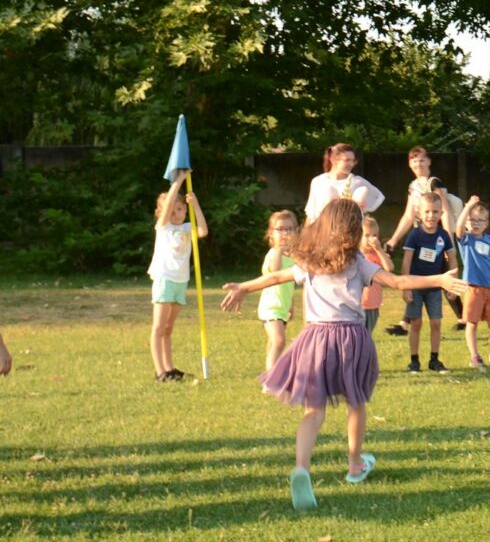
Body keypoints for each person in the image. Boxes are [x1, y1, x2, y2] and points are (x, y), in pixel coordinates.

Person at [220, 199, 465, 510]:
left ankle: (301, 467)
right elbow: (397, 281)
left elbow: (274, 278)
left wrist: (244, 287)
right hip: (350, 338)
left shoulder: (310, 261)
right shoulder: (358, 263)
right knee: (355, 403)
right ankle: (354, 464)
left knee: (313, 411)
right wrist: (439, 279)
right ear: (354, 230)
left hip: (314, 338)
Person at [385, 146, 464, 329]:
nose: (418, 164)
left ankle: (406, 323)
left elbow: (445, 211)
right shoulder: (413, 186)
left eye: (421, 159)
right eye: (414, 160)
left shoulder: (434, 183)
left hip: (436, 237)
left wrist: (449, 242)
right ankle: (463, 318)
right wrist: (394, 240)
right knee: (429, 275)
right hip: (421, 236)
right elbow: (408, 215)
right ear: (409, 164)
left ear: (429, 162)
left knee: (431, 275)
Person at [148, 170, 209, 382]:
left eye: (180, 209)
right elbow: (168, 208)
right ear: (162, 212)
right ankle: (160, 371)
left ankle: (170, 368)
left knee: (168, 328)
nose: (176, 214)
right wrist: (180, 180)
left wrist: (195, 205)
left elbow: (203, 231)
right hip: (164, 279)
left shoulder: (186, 227)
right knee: (158, 327)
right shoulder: (163, 227)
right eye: (172, 210)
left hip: (180, 282)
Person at [401, 193, 459, 373]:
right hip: (415, 286)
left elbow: (452, 259)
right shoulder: (414, 235)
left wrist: (453, 283)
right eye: (427, 211)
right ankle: (414, 361)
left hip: (434, 288)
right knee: (416, 323)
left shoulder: (443, 235)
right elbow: (406, 261)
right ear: (419, 212)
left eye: (435, 212)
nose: (431, 216)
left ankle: (434, 360)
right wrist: (406, 287)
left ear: (441, 213)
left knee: (436, 323)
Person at [455, 195, 490, 369]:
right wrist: (468, 206)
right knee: (471, 323)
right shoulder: (466, 239)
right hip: (473, 288)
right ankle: (475, 356)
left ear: (486, 223)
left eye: (480, 220)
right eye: (472, 220)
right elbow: (458, 228)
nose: (475, 224)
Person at [258, 210, 298, 371]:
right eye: (280, 229)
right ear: (271, 233)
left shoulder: (292, 258)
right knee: (279, 341)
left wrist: (291, 305)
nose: (285, 233)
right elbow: (275, 272)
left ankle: (270, 372)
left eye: (289, 229)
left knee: (274, 343)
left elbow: (289, 283)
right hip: (270, 308)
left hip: (282, 308)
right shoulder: (273, 254)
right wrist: (280, 250)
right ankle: (271, 379)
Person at [304, 143, 384, 224]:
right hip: (323, 228)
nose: (351, 164)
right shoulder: (318, 181)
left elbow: (377, 196)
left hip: (350, 228)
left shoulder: (357, 181)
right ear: (333, 159)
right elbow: (311, 214)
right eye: (347, 160)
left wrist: (359, 207)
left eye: (353, 160)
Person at [359, 216, 392, 335]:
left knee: (367, 335)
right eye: (367, 235)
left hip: (373, 304)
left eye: (374, 235)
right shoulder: (356, 254)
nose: (371, 239)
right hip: (357, 304)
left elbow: (389, 268)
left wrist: (379, 250)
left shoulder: (378, 255)